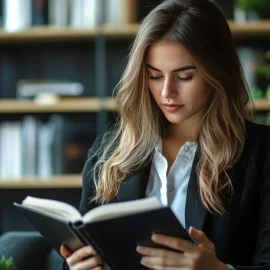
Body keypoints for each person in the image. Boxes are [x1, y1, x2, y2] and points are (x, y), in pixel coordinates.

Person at [60, 0, 270, 269]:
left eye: (184, 77)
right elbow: (82, 253)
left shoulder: (261, 153)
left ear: (218, 74)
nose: (166, 92)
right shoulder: (108, 152)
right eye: (155, 76)